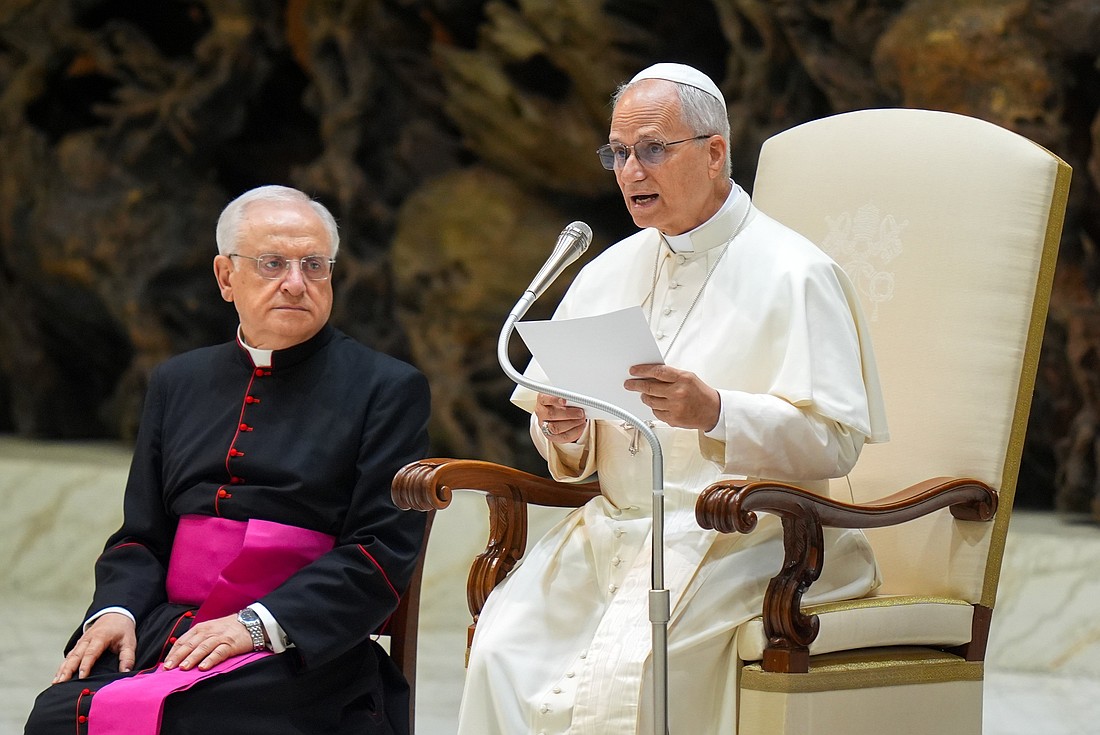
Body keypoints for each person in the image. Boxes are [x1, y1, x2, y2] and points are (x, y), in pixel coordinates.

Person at [456, 63, 890, 733]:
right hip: (610, 532)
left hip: (745, 539)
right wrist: (566, 428)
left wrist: (717, 412)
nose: (631, 170)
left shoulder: (796, 272)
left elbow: (836, 440)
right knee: (500, 654)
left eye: (652, 149)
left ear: (714, 153)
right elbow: (562, 437)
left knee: (638, 677)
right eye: (618, 153)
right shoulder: (606, 272)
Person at [24, 185, 432, 735]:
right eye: (272, 263)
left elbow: (380, 551)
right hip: (170, 631)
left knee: (192, 717)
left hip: (299, 645)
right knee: (57, 716)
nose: (296, 283)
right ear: (225, 277)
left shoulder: (388, 388)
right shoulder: (178, 381)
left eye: (314, 265)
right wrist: (116, 611)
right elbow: (140, 536)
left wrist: (256, 625)